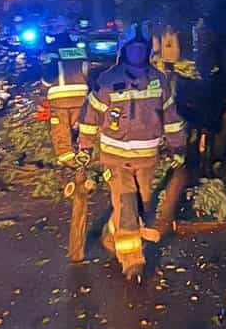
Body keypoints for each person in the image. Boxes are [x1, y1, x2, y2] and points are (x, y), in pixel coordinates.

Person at [77, 21, 186, 282]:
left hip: (147, 158)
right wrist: (84, 148)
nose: (137, 53)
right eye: (132, 49)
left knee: (142, 204)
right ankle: (132, 261)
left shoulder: (159, 81)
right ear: (123, 50)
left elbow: (171, 118)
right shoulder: (107, 80)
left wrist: (178, 147)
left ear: (147, 50)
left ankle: (110, 236)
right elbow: (90, 117)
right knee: (127, 204)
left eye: (141, 48)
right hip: (115, 157)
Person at [42, 23, 93, 263]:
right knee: (80, 127)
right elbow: (88, 71)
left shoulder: (52, 51)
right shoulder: (79, 49)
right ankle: (84, 154)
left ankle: (68, 159)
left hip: (59, 97)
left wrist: (45, 84)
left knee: (61, 131)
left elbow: (47, 77)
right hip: (81, 94)